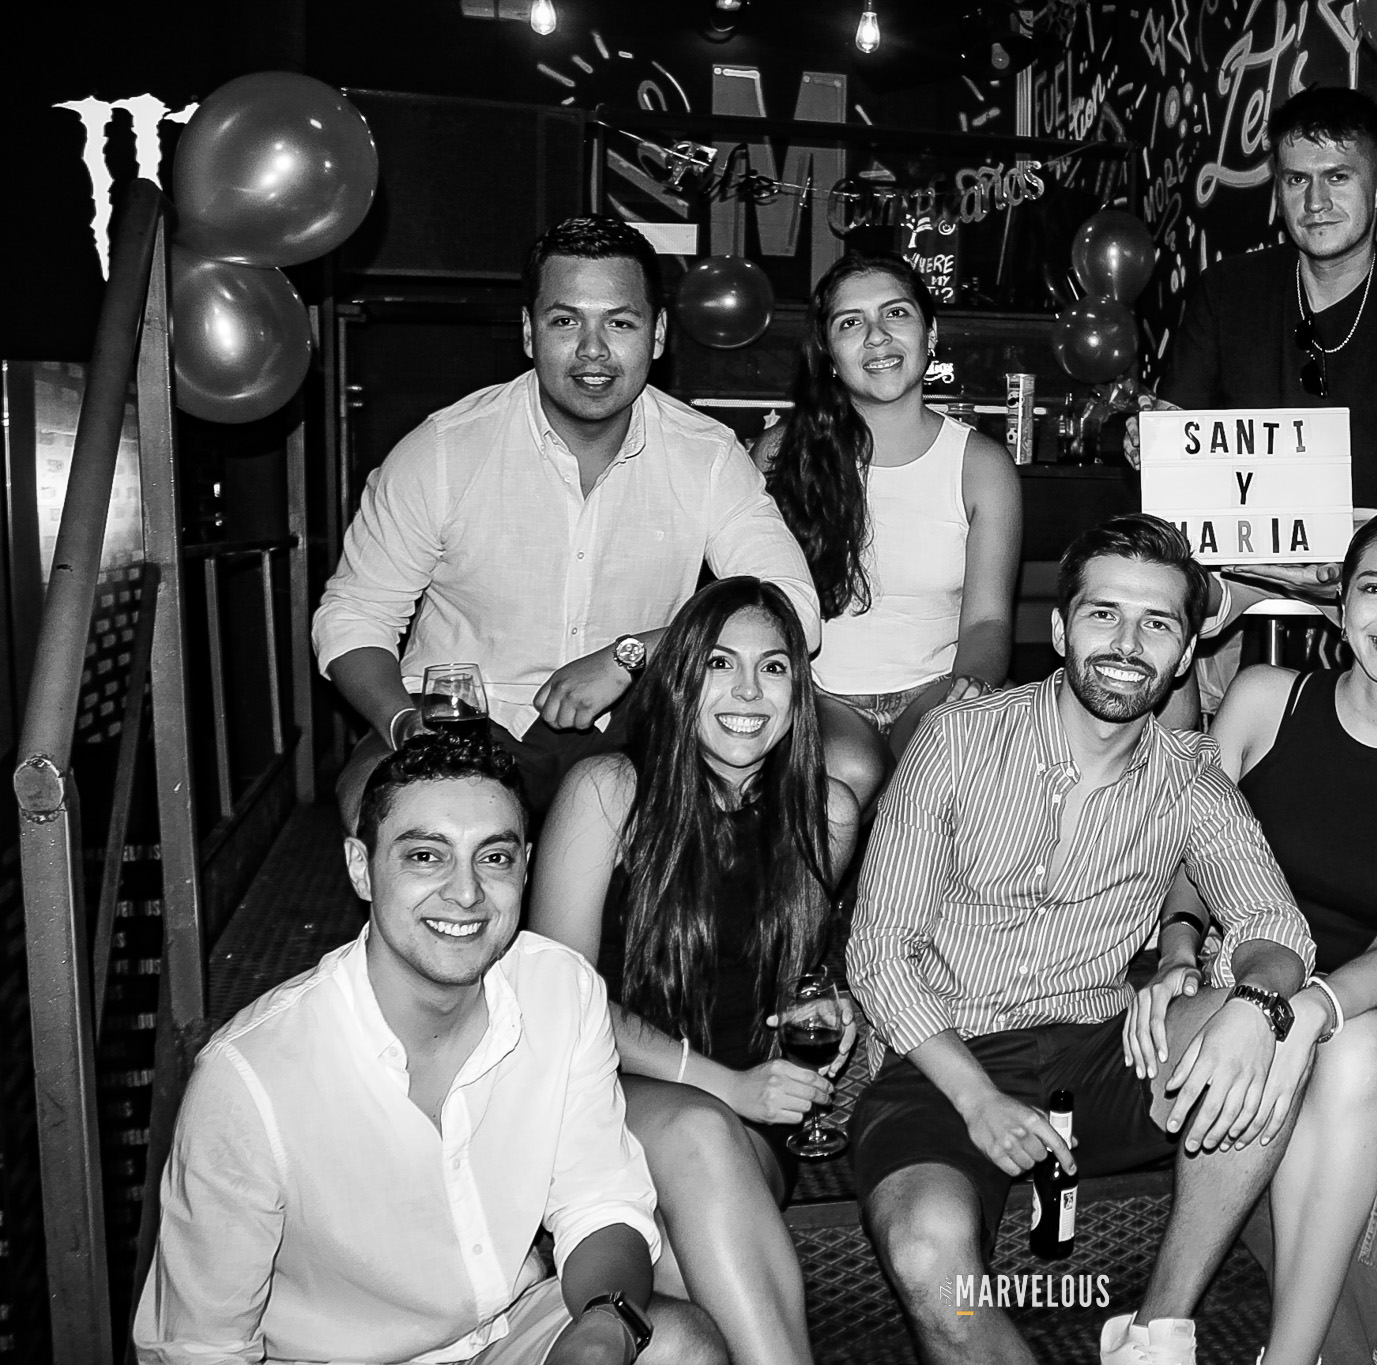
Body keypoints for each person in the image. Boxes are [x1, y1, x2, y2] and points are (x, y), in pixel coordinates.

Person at [846, 514, 1320, 1365]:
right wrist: (978, 1099)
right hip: (941, 1056)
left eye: (1157, 623)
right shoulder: (956, 740)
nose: (1128, 645)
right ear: (1061, 629)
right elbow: (879, 952)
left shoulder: (1189, 779)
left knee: (1275, 1032)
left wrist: (1255, 1001)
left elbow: (1275, 926)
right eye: (1105, 614)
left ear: (1186, 653)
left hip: (1098, 1049)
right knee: (926, 1256)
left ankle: (1155, 1331)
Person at [135, 732, 726, 1365]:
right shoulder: (250, 1075)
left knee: (680, 1346)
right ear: (361, 868)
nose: (466, 892)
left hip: (503, 1330)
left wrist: (606, 1328)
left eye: (493, 858)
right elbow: (203, 1347)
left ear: (526, 867)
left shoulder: (560, 989)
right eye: (425, 856)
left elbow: (600, 1200)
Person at [1137, 507, 1377, 1365]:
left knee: (1363, 1044)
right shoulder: (1265, 698)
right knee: (1322, 1044)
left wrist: (1311, 1009)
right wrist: (1179, 946)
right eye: (1375, 589)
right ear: (1342, 607)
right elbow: (1194, 852)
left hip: (1371, 1006)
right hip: (1231, 983)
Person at [314, 214, 820, 829]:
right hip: (463, 722)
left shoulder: (707, 455)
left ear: (658, 334)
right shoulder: (442, 450)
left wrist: (630, 655)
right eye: (565, 321)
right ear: (529, 332)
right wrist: (402, 723)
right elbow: (354, 614)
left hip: (632, 726)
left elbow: (790, 606)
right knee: (375, 804)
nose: (593, 350)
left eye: (620, 323)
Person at [529, 577, 860, 1365]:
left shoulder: (827, 812)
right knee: (701, 1143)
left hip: (747, 1128)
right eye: (719, 662)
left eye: (773, 667)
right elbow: (556, 1003)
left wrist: (829, 1007)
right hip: (602, 1095)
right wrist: (728, 1086)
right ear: (681, 677)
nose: (748, 690)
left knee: (689, 1284)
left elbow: (793, 974)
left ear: (798, 693)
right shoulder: (610, 791)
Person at [1129, 85, 1377, 724]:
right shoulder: (1228, 291)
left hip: (1359, 554)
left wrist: (1356, 564)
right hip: (1237, 556)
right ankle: (1177, 772)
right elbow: (1174, 443)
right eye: (1296, 180)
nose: (1315, 202)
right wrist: (1152, 442)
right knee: (1152, 589)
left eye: (1338, 177)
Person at [756, 251, 1021, 811]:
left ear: (931, 334)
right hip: (819, 692)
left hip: (937, 688)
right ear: (828, 353)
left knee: (940, 757)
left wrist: (969, 690)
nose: (876, 336)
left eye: (896, 313)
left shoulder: (981, 465)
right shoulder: (781, 453)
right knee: (846, 771)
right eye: (850, 322)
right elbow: (750, 604)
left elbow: (989, 620)